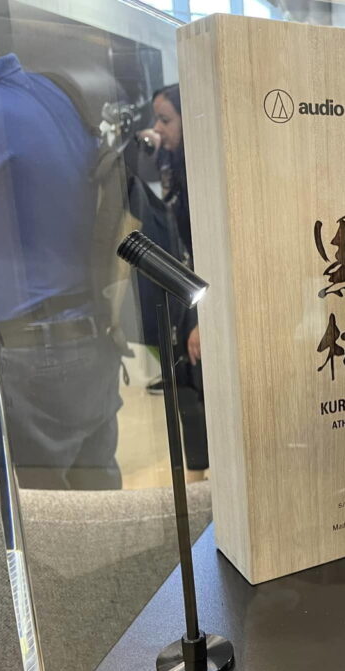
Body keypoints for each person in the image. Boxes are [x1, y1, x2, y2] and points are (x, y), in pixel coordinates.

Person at [0, 5, 122, 489]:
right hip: (91, 343)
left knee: (31, 523)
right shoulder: (54, 94)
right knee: (99, 513)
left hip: (26, 367)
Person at [138, 84, 209, 477]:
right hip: (186, 295)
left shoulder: (201, 174)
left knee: (200, 390)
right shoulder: (175, 166)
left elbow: (210, 252)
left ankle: (205, 480)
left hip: (202, 299)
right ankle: (197, 478)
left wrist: (202, 320)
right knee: (187, 387)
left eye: (165, 120)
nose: (157, 128)